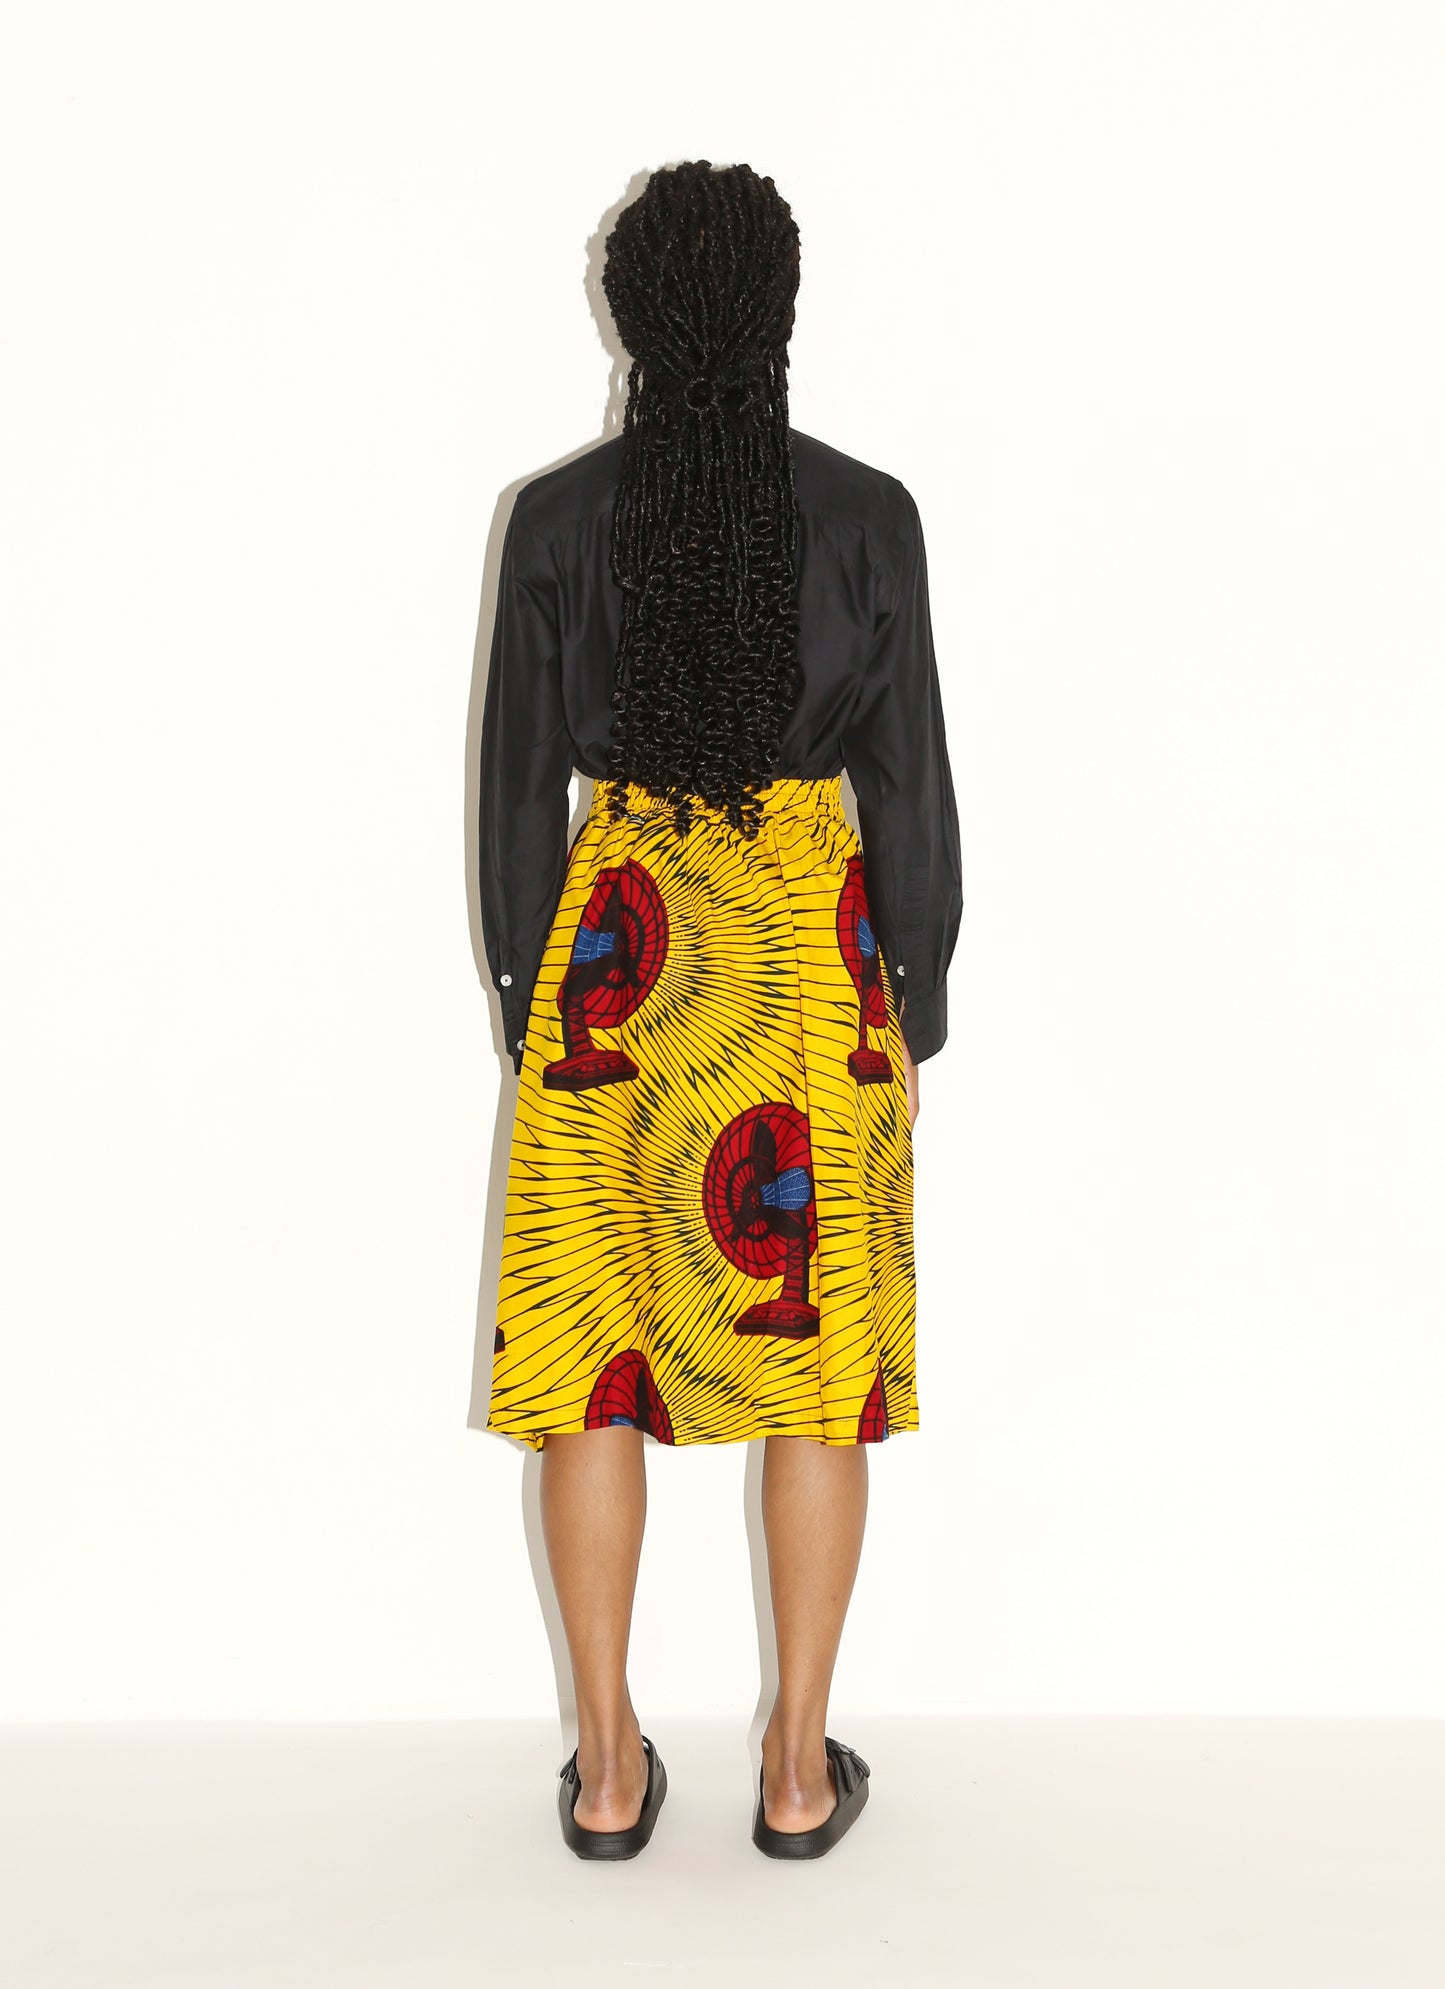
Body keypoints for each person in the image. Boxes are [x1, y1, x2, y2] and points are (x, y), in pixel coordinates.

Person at [476, 160, 963, 1860]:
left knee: (586, 1367)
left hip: (612, 969)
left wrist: (531, 1008)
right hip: (803, 965)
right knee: (815, 1375)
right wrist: (919, 993)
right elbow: (908, 785)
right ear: (779, 311)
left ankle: (609, 1769)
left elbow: (514, 795)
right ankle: (797, 1769)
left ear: (629, 315)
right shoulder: (867, 515)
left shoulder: (555, 522)